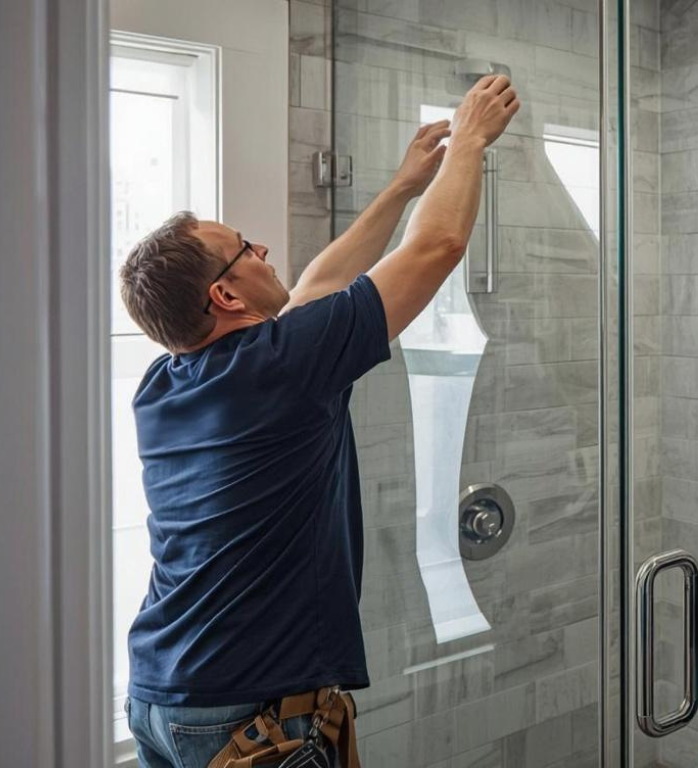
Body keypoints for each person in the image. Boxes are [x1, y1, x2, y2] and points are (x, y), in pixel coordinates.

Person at [118, 75, 519, 768]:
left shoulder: (167, 382)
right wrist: (472, 141)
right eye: (246, 250)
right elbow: (438, 249)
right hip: (250, 712)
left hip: (163, 694)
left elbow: (318, 287)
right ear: (224, 294)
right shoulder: (281, 365)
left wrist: (402, 187)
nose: (265, 250)